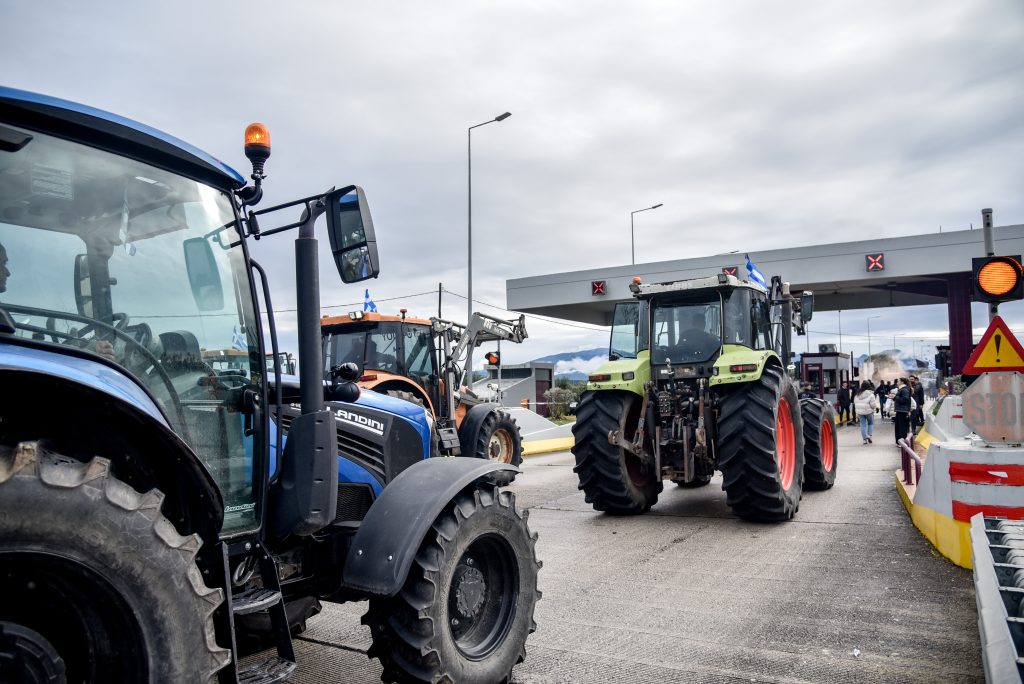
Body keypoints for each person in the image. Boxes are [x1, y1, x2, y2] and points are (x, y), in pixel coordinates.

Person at [892, 377, 913, 444]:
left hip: (902, 411)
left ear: (902, 382)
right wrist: (894, 398)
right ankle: (899, 441)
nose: (897, 383)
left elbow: (905, 399)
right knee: (898, 427)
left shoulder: (904, 390)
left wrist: (895, 397)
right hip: (900, 410)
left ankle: (902, 442)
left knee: (901, 427)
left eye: (898, 381)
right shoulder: (902, 389)